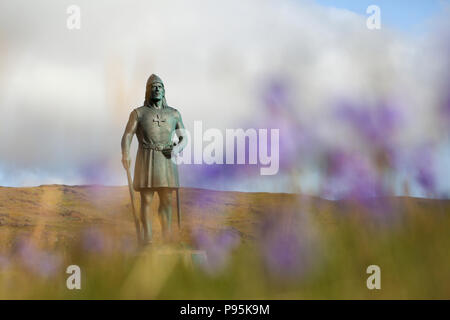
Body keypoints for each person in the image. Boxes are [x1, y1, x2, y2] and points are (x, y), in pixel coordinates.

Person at [121, 74, 187, 244]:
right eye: (153, 86)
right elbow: (128, 135)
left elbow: (184, 137)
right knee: (147, 199)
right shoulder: (138, 113)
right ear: (147, 91)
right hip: (147, 157)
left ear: (164, 91)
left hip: (167, 158)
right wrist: (125, 153)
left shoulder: (174, 114)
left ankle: (167, 237)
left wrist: (177, 148)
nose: (156, 89)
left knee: (167, 200)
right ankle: (147, 238)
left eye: (159, 86)